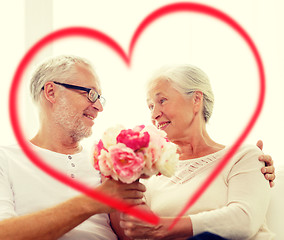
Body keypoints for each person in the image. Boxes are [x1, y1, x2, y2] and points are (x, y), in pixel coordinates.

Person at [111, 64, 275, 239]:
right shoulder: (150, 174)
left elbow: (244, 220)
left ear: (196, 99)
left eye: (162, 101)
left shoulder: (243, 155)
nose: (154, 114)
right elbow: (138, 231)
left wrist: (165, 227)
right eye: (150, 106)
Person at [0, 55, 146, 240]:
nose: (99, 107)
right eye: (91, 94)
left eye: (100, 98)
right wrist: (94, 201)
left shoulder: (105, 161)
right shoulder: (5, 159)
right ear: (51, 92)